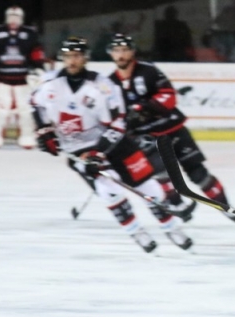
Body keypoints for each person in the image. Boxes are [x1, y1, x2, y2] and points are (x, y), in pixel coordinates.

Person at [31, 37, 193, 252]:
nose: (72, 61)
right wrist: (44, 131)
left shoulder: (102, 85)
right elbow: (35, 105)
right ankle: (136, 231)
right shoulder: (50, 84)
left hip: (115, 143)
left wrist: (100, 151)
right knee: (109, 190)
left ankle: (171, 227)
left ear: (85, 57)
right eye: (68, 56)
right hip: (79, 150)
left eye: (77, 56)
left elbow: (118, 122)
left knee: (149, 186)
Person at [106, 33, 235, 223]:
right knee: (161, 176)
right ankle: (179, 207)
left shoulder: (149, 71)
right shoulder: (110, 83)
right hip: (148, 137)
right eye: (117, 51)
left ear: (132, 51)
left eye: (125, 50)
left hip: (172, 129)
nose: (121, 55)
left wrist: (145, 108)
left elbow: (169, 95)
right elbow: (113, 114)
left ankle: (226, 207)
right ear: (111, 54)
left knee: (197, 173)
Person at [0, 6, 48, 149]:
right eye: (10, 17)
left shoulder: (30, 33)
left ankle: (28, 138)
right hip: (2, 80)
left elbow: (36, 53)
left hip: (23, 81)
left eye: (16, 17)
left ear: (21, 19)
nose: (13, 20)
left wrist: (38, 68)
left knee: (26, 112)